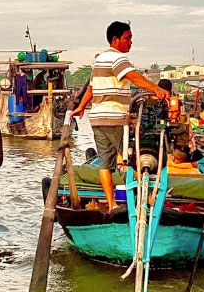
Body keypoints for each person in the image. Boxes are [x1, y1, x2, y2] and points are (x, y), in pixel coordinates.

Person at [70, 21, 169, 212]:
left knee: (105, 164)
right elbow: (134, 77)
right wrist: (156, 89)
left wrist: (82, 107)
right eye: (127, 38)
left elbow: (92, 87)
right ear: (115, 40)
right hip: (115, 117)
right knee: (134, 157)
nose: (130, 42)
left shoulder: (99, 60)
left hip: (97, 118)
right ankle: (147, 199)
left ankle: (112, 203)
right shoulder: (118, 59)